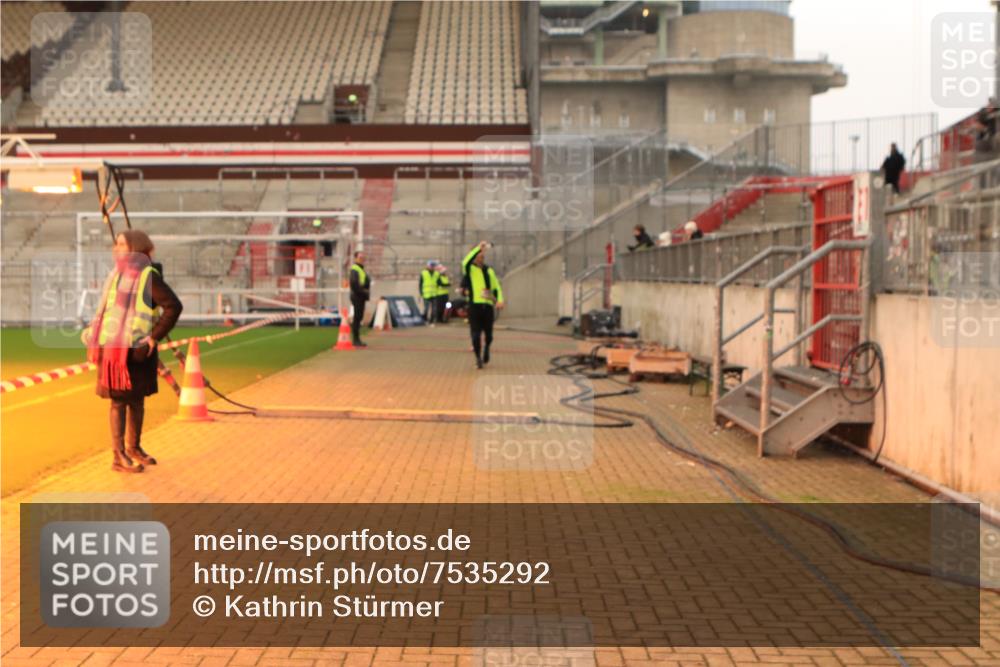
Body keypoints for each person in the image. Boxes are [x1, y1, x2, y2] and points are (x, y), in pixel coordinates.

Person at [82, 229, 182, 473]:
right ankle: (119, 456)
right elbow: (105, 310)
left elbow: (173, 306)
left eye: (122, 244)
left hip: (135, 351)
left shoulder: (147, 276)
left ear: (135, 248)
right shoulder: (116, 275)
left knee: (135, 400)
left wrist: (153, 338)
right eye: (116, 244)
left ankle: (133, 448)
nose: (116, 248)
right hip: (114, 350)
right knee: (118, 402)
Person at [461, 241, 504, 369]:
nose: (481, 258)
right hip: (474, 307)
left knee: (489, 335)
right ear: (474, 257)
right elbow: (465, 262)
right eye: (478, 256)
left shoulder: (489, 270)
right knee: (475, 334)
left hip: (488, 307)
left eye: (482, 256)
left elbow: (497, 286)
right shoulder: (469, 269)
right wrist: (478, 248)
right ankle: (478, 358)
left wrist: (500, 300)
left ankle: (487, 349)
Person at [349, 251, 371, 347]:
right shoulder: (355, 269)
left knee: (359, 317)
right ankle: (355, 339)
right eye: (360, 257)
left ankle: (356, 337)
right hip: (357, 296)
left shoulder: (360, 269)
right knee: (357, 318)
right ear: (355, 258)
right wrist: (363, 291)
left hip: (360, 296)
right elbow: (354, 284)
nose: (362, 259)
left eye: (363, 258)